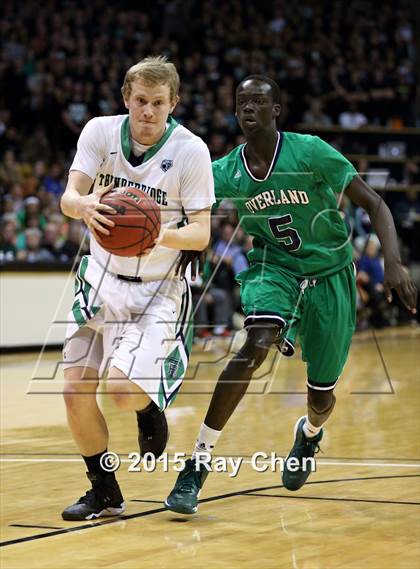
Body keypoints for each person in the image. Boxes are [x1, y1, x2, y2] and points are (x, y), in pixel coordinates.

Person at [165, 75, 417, 514]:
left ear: (276, 110)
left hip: (332, 276)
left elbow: (374, 203)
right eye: (241, 101)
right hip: (273, 269)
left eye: (258, 102)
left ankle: (310, 434)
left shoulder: (311, 151)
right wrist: (192, 241)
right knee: (253, 346)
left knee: (321, 396)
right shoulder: (227, 170)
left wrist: (393, 262)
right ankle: (197, 465)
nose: (248, 108)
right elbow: (191, 202)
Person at [59, 56, 215, 521]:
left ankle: (148, 409)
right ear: (126, 98)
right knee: (73, 390)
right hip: (102, 278)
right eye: (141, 101)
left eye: (159, 103)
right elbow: (69, 198)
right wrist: (84, 205)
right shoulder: (99, 133)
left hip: (157, 288)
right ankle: (104, 490)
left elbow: (202, 233)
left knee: (123, 391)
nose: (148, 111)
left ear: (174, 104)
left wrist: (155, 233)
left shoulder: (191, 151)